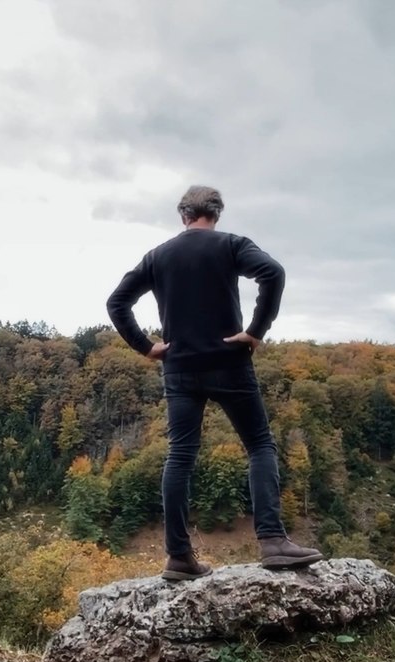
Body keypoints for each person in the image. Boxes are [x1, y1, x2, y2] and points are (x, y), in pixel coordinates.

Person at [106, 185, 324, 581]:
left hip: (179, 367)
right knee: (259, 444)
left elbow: (116, 302)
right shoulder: (232, 245)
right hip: (229, 362)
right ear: (217, 214)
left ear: (182, 214)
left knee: (181, 455)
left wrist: (146, 347)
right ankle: (273, 542)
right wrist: (256, 331)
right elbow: (273, 273)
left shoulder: (158, 256)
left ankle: (178, 557)